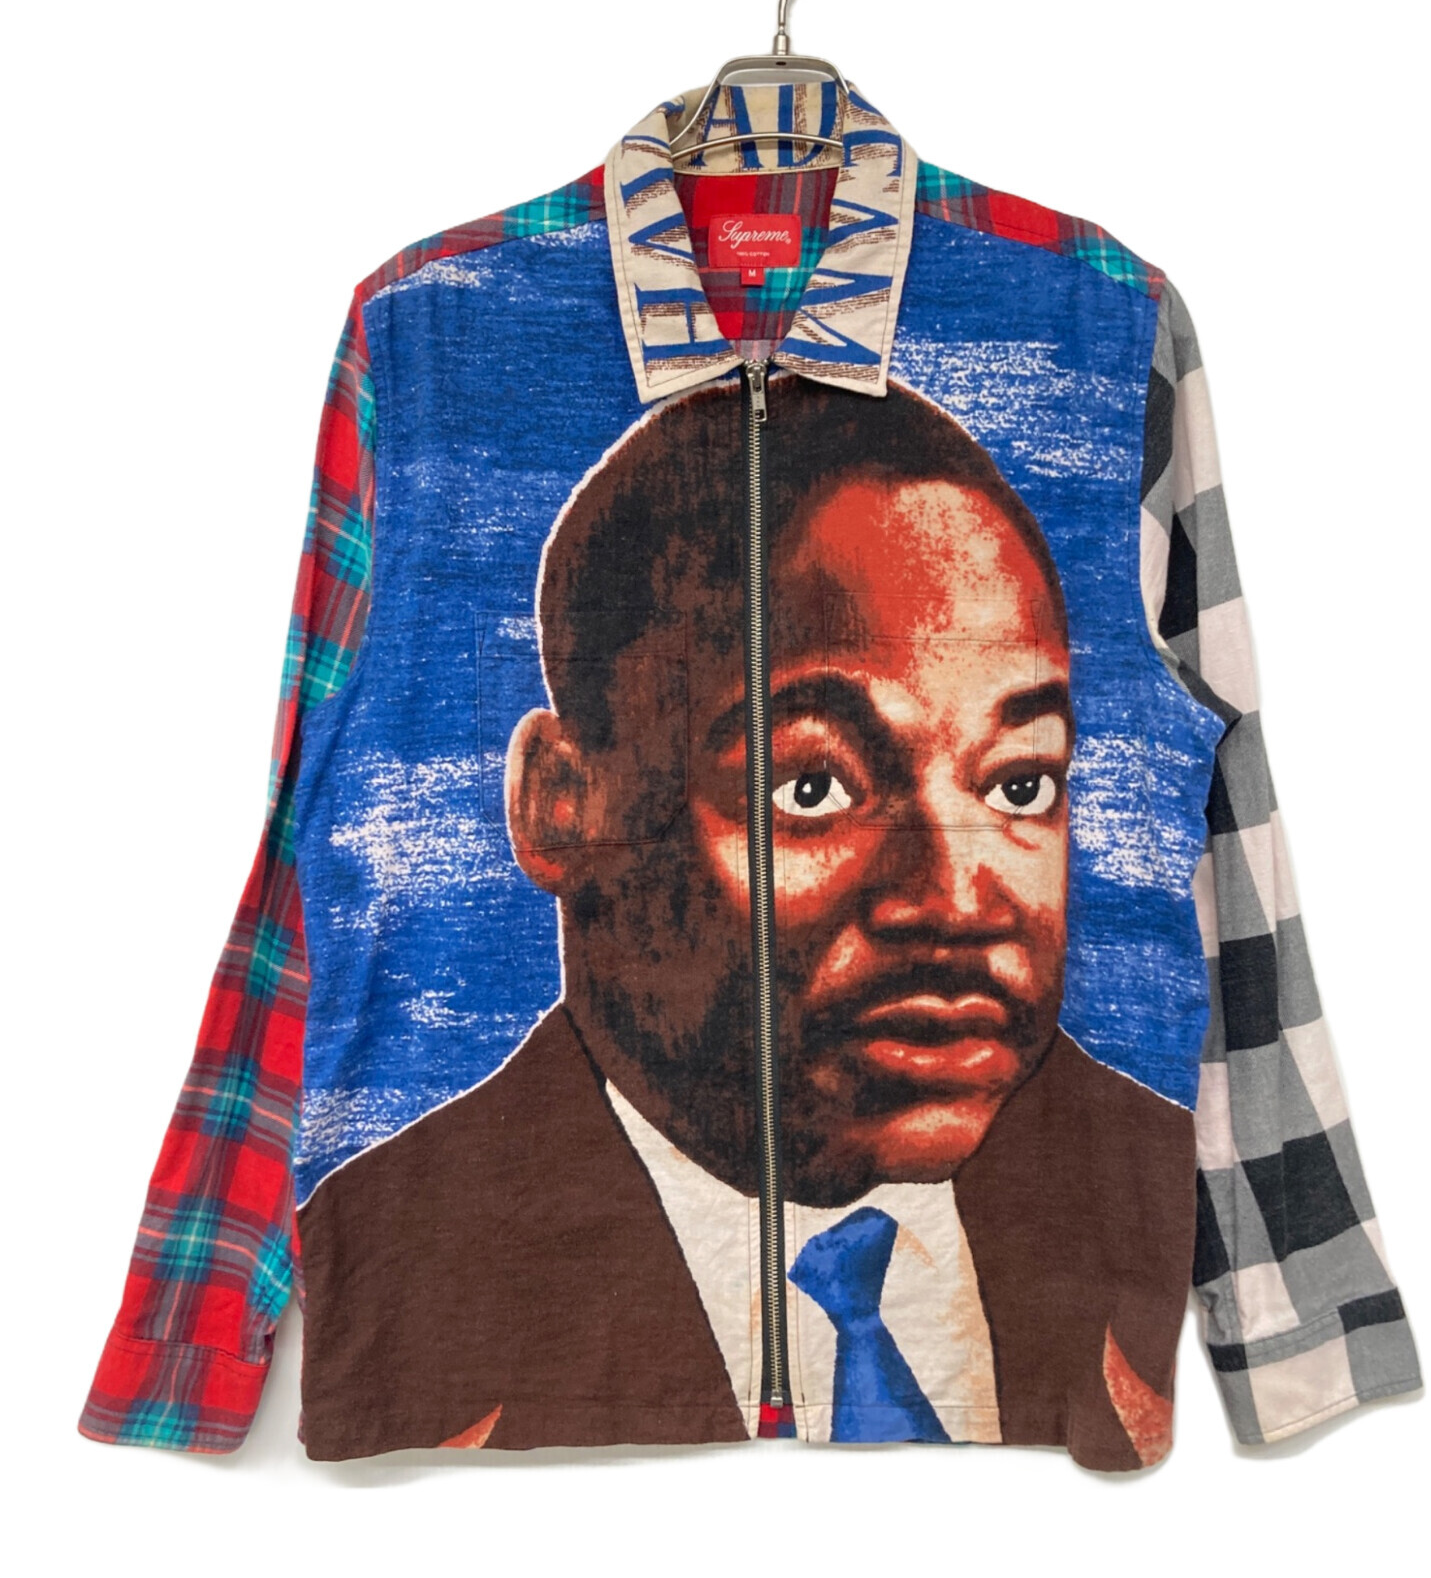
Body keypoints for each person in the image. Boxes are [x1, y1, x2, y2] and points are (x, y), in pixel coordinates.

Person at [298, 374, 1196, 1468]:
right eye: (811, 788)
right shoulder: (406, 1265)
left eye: (1019, 785)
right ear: (562, 807)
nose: (956, 900)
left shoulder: (1132, 1176)